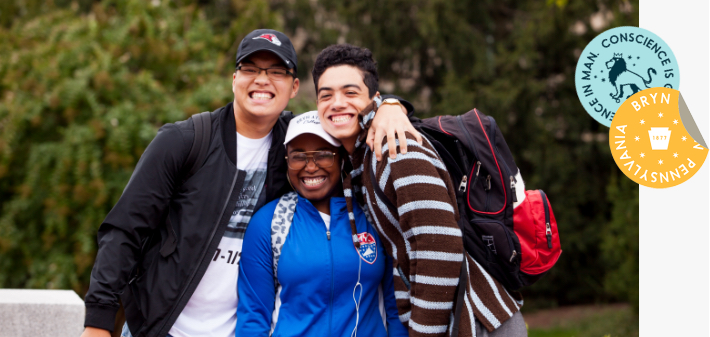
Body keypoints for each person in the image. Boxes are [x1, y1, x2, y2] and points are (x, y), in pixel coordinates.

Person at [81, 30, 418, 337]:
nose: (262, 80)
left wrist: (390, 105)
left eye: (276, 71)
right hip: (161, 328)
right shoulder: (184, 142)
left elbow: (348, 120)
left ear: (294, 87)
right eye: (251, 69)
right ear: (234, 79)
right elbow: (124, 231)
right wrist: (98, 322)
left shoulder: (296, 145)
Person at [314, 44, 528, 337]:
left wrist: (424, 333)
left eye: (350, 93)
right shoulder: (363, 158)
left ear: (373, 99)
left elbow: (440, 245)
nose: (336, 103)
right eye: (326, 95)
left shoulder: (395, 146)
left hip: (475, 321)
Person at [235, 111, 408, 337]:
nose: (310, 166)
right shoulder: (268, 222)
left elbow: (396, 309)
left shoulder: (373, 214)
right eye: (298, 156)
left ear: (342, 158)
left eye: (323, 154)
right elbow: (253, 316)